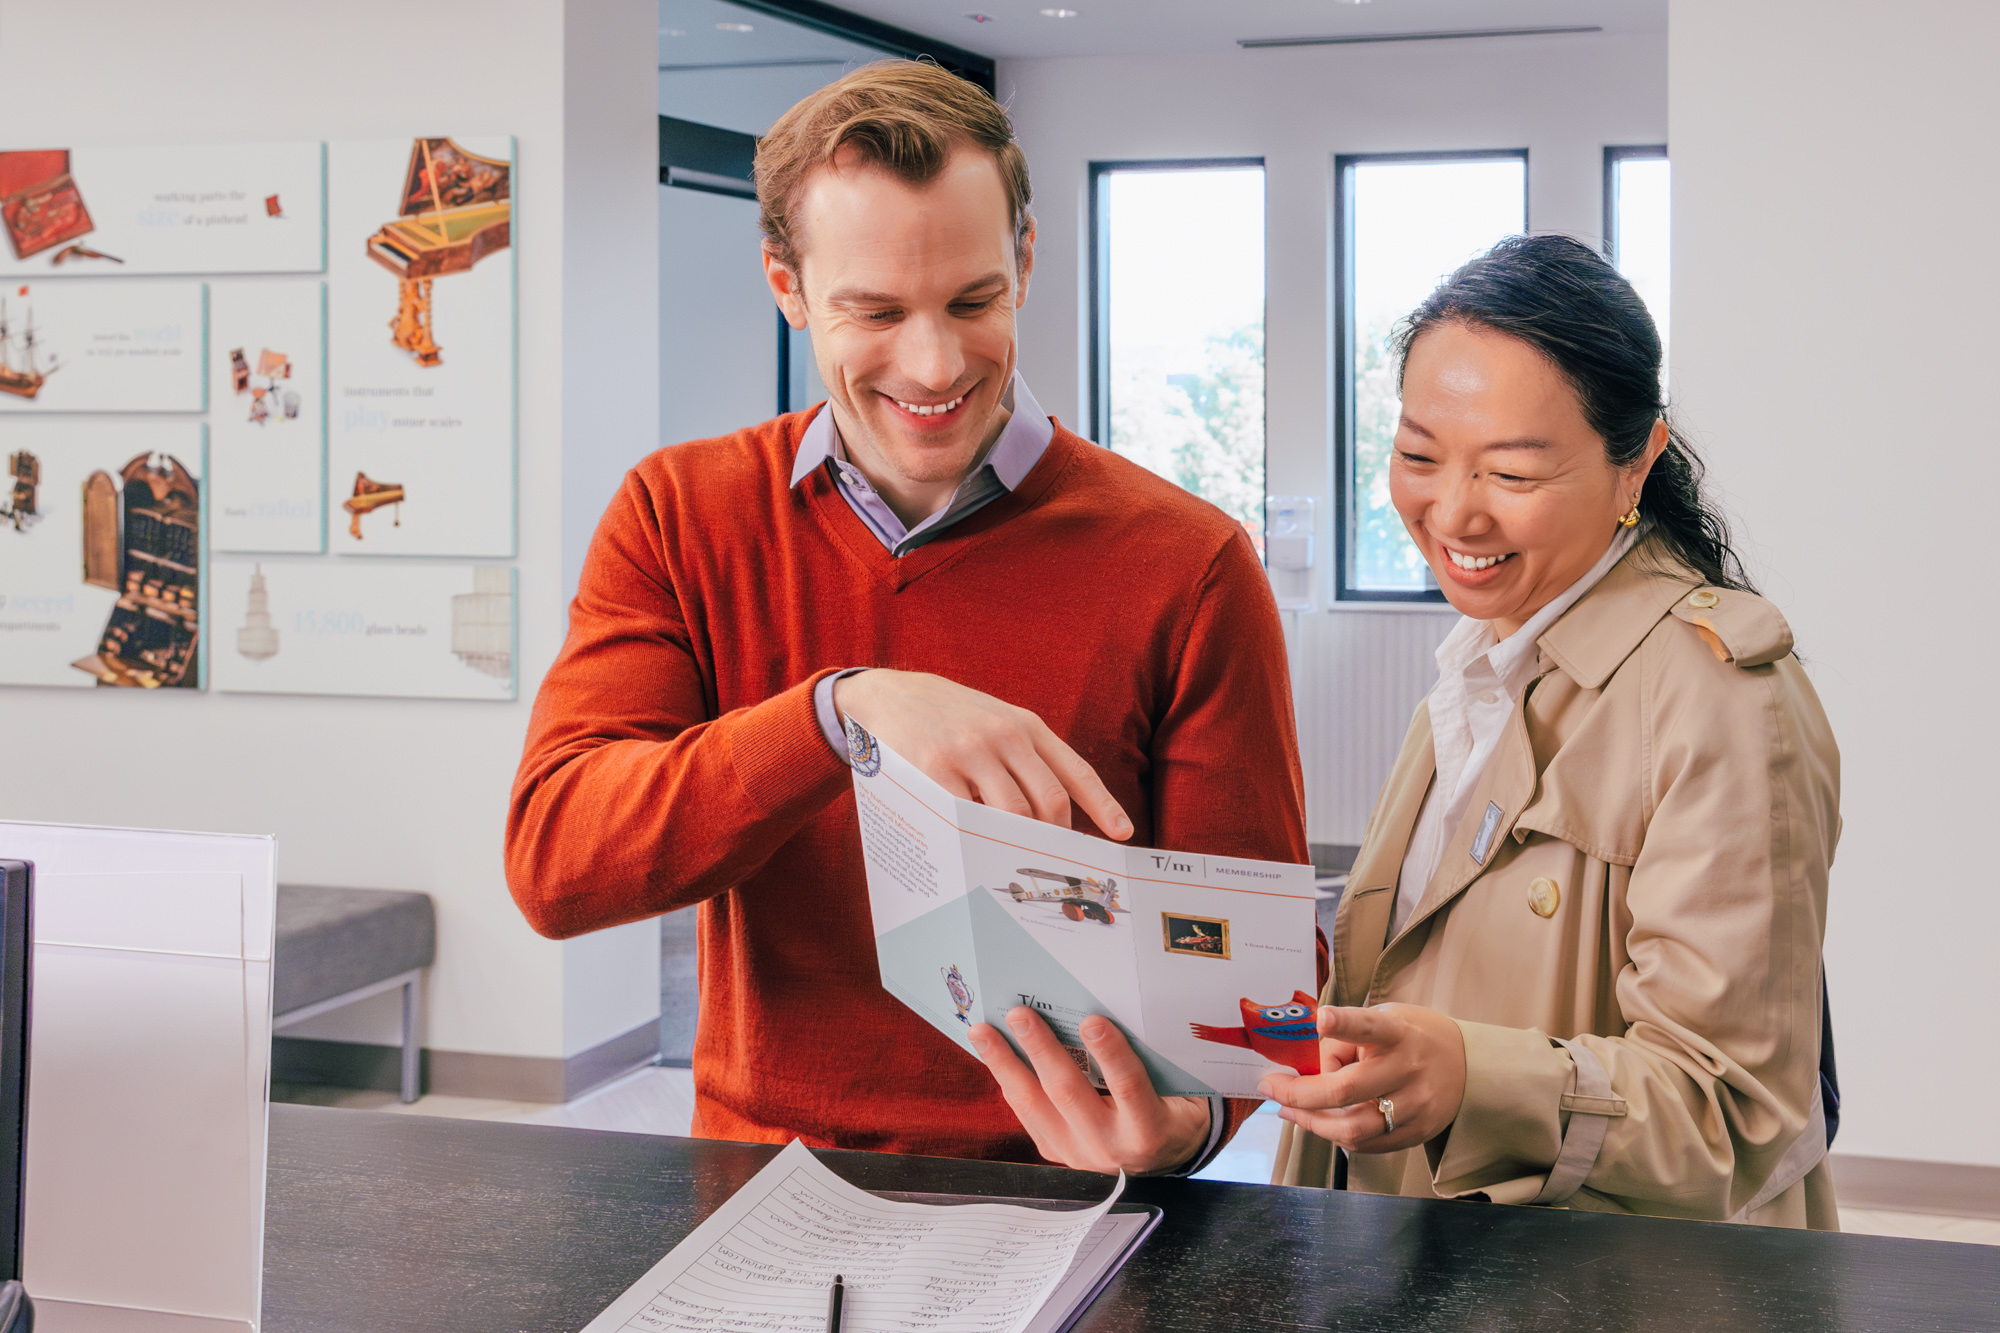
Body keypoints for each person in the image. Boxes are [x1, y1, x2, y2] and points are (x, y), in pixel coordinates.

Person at [505, 61, 1308, 1176]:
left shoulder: (1191, 563)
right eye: (873, 312)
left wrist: (1190, 1123)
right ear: (785, 283)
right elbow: (558, 863)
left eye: (972, 302)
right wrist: (839, 714)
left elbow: (1256, 961)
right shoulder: (679, 513)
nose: (932, 365)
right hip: (761, 1179)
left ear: (1024, 261)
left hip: (1069, 1197)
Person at [1263, 234, 1840, 1227]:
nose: (1450, 513)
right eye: (1415, 456)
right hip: (1421, 1249)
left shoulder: (1722, 697)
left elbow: (1732, 1117)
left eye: (1512, 475)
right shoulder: (1486, 655)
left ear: (1635, 465)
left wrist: (1468, 1079)